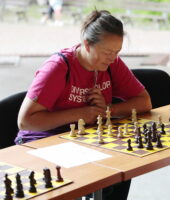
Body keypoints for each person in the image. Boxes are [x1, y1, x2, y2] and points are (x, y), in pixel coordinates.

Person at [16, 10, 152, 200]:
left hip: (83, 140)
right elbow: (25, 121)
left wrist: (107, 111)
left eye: (117, 52)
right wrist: (81, 113)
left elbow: (144, 101)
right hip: (43, 141)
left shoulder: (112, 64)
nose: (113, 58)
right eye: (107, 52)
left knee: (123, 167)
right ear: (87, 44)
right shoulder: (58, 67)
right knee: (98, 177)